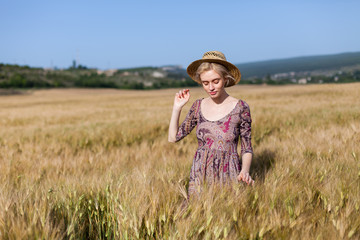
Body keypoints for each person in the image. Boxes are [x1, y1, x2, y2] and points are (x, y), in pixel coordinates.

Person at [168, 51, 254, 197]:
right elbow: (173, 138)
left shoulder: (241, 107)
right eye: (205, 83)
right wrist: (177, 108)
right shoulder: (197, 106)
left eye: (216, 81)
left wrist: (245, 171)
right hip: (199, 175)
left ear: (225, 79)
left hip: (229, 174)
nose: (211, 88)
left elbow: (247, 148)